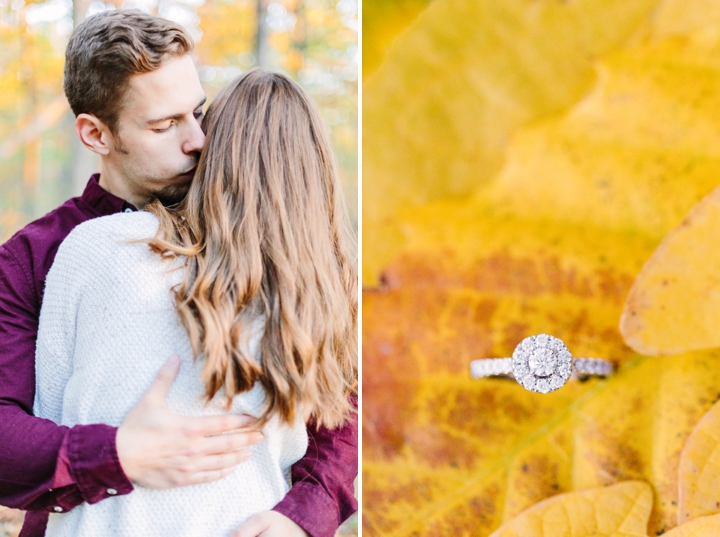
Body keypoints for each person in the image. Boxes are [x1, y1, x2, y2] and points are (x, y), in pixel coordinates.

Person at [0, 10, 357, 537]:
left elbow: (341, 395)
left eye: (198, 111)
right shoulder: (37, 255)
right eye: (165, 125)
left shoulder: (258, 227)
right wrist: (118, 452)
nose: (197, 140)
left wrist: (303, 515)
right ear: (96, 134)